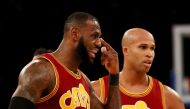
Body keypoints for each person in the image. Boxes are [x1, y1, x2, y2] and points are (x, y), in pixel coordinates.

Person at [8, 12, 121, 109]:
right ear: (75, 34)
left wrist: (114, 75)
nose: (99, 43)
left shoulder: (84, 81)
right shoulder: (40, 70)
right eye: (94, 36)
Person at [91, 28, 185, 109]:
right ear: (126, 50)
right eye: (143, 47)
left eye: (152, 48)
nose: (149, 54)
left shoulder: (169, 97)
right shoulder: (96, 90)